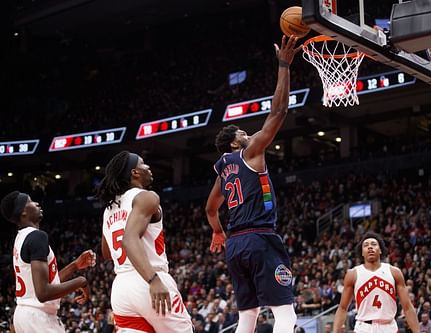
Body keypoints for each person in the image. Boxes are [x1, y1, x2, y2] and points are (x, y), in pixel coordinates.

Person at [205, 35, 301, 333]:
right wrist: (283, 66)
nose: (249, 133)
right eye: (244, 132)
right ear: (236, 141)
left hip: (235, 245)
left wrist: (219, 232)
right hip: (260, 238)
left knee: (247, 317)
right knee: (286, 315)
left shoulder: (223, 170)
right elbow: (279, 112)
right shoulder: (251, 152)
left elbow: (210, 209)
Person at [96, 151, 192, 332]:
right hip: (148, 278)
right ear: (135, 173)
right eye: (143, 163)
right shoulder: (146, 197)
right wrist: (153, 280)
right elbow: (129, 239)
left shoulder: (109, 209)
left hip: (121, 287)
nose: (148, 167)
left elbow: (107, 253)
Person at [0, 191, 94, 333]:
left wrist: (75, 265)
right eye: (30, 201)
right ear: (23, 212)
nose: (36, 203)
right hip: (38, 318)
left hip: (25, 315)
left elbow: (47, 284)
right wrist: (81, 281)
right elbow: (43, 293)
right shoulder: (37, 236)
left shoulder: (20, 238)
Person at [332, 232, 421, 333]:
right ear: (362, 252)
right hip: (363, 327)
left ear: (380, 250)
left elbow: (408, 307)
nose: (370, 247)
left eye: (374, 244)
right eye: (366, 245)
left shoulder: (394, 272)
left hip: (389, 327)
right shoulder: (353, 274)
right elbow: (343, 308)